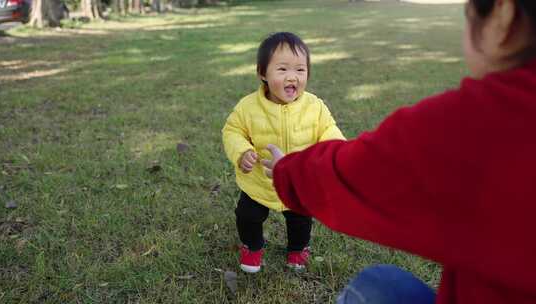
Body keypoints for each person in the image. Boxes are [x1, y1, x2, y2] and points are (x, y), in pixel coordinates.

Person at [262, 0, 536, 302]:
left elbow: (352, 175)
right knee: (382, 284)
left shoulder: (483, 121)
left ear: (503, 13)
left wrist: (286, 171)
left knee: (374, 287)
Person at [222, 32, 345, 273]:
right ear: (262, 73)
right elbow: (232, 130)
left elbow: (329, 130)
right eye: (282, 69)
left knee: (300, 218)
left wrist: (336, 150)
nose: (292, 77)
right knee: (248, 215)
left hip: (298, 181)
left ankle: (297, 250)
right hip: (258, 181)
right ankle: (252, 246)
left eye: (300, 70)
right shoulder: (248, 107)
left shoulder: (314, 106)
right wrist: (242, 151)